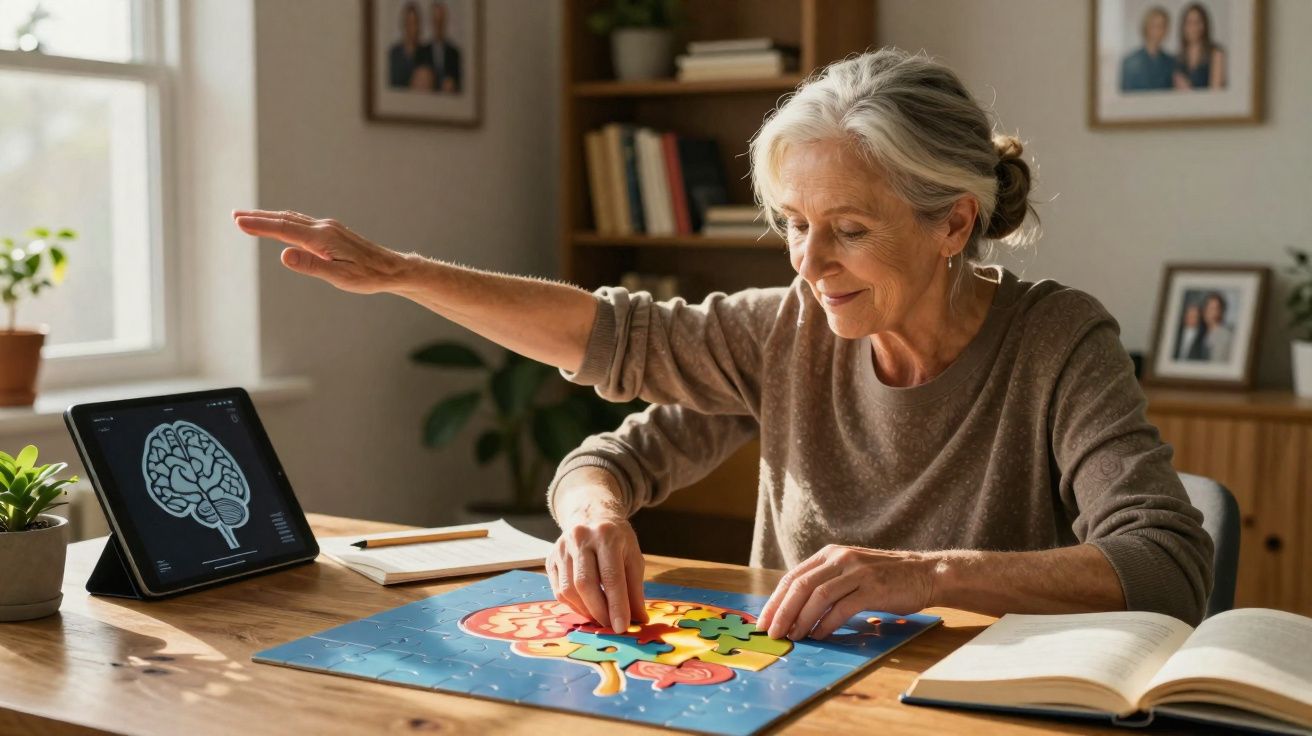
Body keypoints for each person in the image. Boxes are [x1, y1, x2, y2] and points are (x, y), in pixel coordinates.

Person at [232, 48, 1213, 639]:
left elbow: (1165, 562)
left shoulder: (1056, 337)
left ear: (953, 224)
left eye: (850, 229)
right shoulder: (787, 330)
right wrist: (590, 515)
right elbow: (610, 403)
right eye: (791, 221)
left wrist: (921, 575)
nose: (808, 261)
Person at [1120, 6, 1176, 92]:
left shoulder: (1172, 62)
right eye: (1154, 26)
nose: (1158, 31)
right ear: (1146, 27)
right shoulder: (1130, 62)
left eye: (1162, 26)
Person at [1174, 2, 1226, 90]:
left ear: (1204, 25)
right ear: (1183, 27)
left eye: (1197, 22)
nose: (1193, 27)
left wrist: (1189, 90)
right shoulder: (1178, 58)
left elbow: (1217, 93)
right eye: (1189, 23)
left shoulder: (1216, 53)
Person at [422, 1, 462, 94]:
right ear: (431, 22)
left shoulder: (454, 53)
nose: (438, 26)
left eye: (440, 21)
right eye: (435, 21)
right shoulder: (422, 52)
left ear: (445, 21)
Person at [387, 1, 426, 90]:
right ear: (404, 25)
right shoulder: (394, 54)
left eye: (415, 23)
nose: (413, 28)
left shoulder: (426, 53)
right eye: (409, 23)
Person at [1202, 292, 1234, 362]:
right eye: (1208, 308)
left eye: (1215, 308)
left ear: (1221, 311)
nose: (1211, 312)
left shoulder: (1226, 335)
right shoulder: (1201, 333)